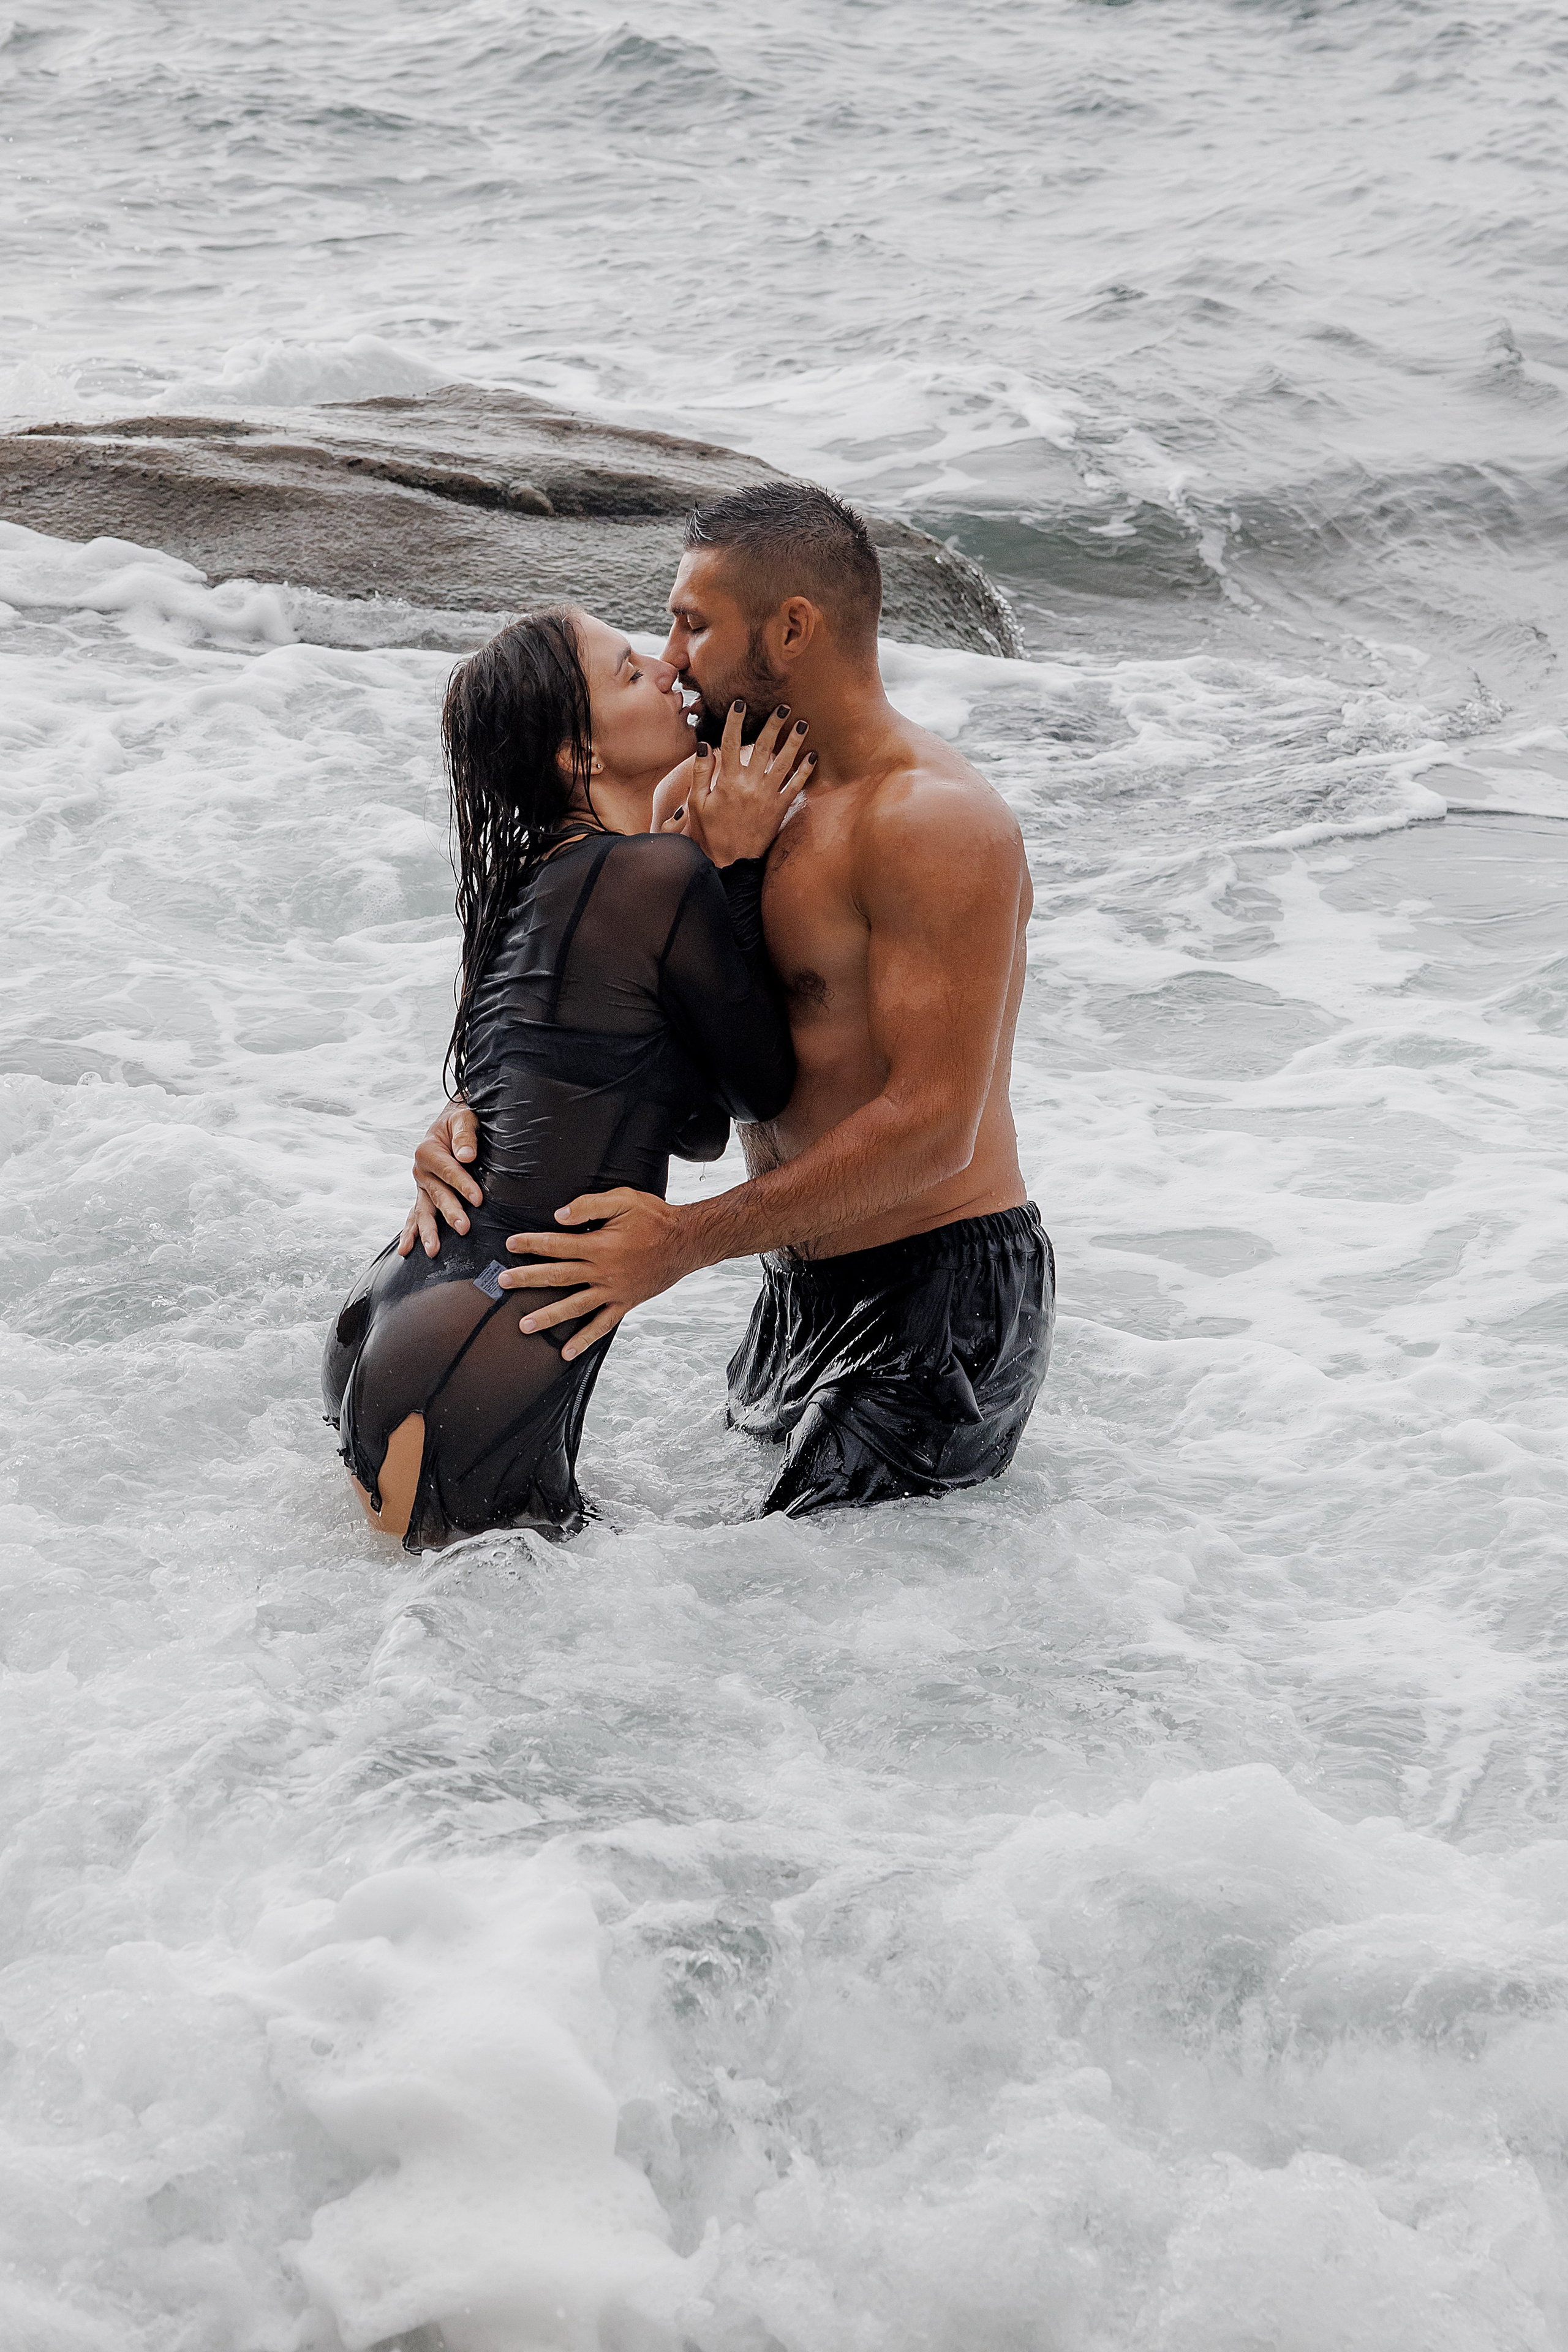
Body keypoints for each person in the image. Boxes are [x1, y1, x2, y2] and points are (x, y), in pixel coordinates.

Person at [405, 483, 1054, 1517]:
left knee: (799, 1607)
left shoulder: (934, 824)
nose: (668, 660)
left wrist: (682, 1243)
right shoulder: (698, 804)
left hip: (945, 1295)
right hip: (793, 1284)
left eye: (692, 625)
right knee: (727, 1587)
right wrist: (472, 1119)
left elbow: (934, 1128)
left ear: (792, 628)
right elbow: (629, 1043)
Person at [323, 605, 810, 1548]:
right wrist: (737, 864)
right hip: (475, 1357)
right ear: (578, 760)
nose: (665, 673)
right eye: (630, 675)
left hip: (400, 1318)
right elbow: (762, 1091)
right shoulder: (657, 878)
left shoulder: (525, 891)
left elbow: (686, 1123)